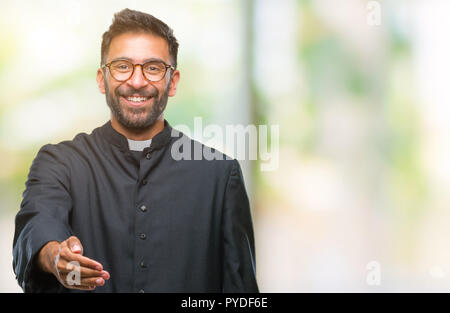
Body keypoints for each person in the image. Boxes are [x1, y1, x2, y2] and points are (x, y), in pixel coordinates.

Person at [12, 8, 259, 293]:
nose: (137, 81)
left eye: (153, 67)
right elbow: (36, 225)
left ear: (173, 81)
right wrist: (55, 256)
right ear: (101, 79)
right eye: (122, 66)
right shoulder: (59, 163)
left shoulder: (219, 174)